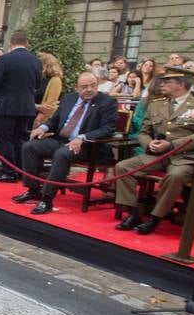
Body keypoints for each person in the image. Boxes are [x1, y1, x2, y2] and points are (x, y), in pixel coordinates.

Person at [112, 66, 194, 235]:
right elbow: (144, 132)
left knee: (175, 176)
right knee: (123, 167)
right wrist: (149, 144)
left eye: (168, 82)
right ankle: (133, 213)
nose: (163, 84)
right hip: (157, 154)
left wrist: (172, 145)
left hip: (184, 157)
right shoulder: (156, 105)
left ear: (181, 84)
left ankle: (155, 217)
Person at [13, 72, 119, 214]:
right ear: (77, 88)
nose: (89, 89)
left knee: (62, 154)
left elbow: (108, 129)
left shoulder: (107, 102)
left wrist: (82, 137)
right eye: (84, 86)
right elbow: (56, 120)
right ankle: (33, 190)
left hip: (88, 146)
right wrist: (42, 127)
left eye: (93, 85)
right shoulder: (69, 98)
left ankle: (47, 199)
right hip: (62, 140)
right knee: (29, 147)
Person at [0, 29, 43, 181]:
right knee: (20, 139)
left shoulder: (5, 60)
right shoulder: (36, 61)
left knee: (5, 139)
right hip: (26, 106)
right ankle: (20, 170)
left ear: (11, 44)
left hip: (7, 105)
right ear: (27, 44)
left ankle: (9, 172)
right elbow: (37, 84)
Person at [35, 52, 64, 125]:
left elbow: (49, 106)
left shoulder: (55, 80)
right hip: (28, 116)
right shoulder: (36, 78)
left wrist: (37, 122)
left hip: (39, 121)